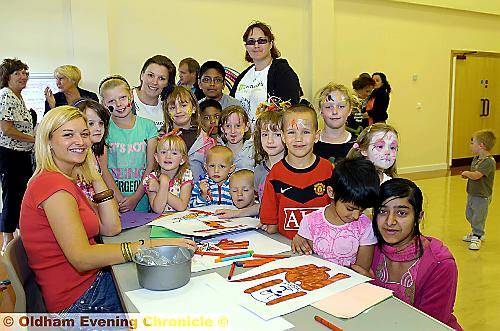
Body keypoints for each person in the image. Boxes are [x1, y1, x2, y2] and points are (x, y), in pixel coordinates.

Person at [19, 106, 196, 313]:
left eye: (84, 134)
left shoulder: (64, 180)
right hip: (80, 302)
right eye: (68, 135)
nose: (81, 141)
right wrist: (149, 246)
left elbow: (111, 227)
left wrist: (95, 175)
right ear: (48, 141)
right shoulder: (52, 187)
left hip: (90, 286)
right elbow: (82, 258)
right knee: (174, 306)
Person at [353, 178, 462, 330]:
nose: (390, 221)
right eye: (383, 211)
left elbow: (429, 325)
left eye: (401, 213)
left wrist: (373, 288)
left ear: (418, 217)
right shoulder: (369, 248)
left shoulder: (440, 264)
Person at [293, 158, 379, 272]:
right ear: (331, 192)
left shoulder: (365, 226)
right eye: (350, 208)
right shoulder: (310, 222)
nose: (356, 216)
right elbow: (305, 261)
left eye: (362, 210)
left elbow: (361, 270)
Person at [260, 105, 333, 240]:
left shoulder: (328, 170)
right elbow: (271, 225)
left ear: (316, 136)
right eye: (291, 132)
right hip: (288, 248)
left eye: (305, 132)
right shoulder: (275, 174)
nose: (298, 139)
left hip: (324, 248)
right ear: (283, 137)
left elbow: (338, 213)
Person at [99, 75, 157, 213]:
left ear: (131, 96)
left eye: (122, 98)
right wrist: (119, 198)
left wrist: (135, 198)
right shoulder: (103, 129)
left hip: (142, 198)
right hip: (113, 200)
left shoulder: (148, 126)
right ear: (104, 104)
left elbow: (151, 165)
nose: (119, 104)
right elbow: (103, 168)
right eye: (111, 101)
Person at [230, 21, 302, 127]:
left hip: (270, 137)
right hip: (243, 139)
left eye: (262, 41)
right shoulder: (243, 76)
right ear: (246, 46)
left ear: (271, 44)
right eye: (251, 41)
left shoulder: (282, 72)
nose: (256, 45)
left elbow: (291, 109)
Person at [0, 58, 35, 253]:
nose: (23, 77)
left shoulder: (18, 97)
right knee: (12, 196)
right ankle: (7, 239)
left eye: (25, 73)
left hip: (22, 154)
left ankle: (21, 236)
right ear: (7, 77)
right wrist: (33, 140)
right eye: (18, 73)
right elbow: (6, 129)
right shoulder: (6, 95)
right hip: (10, 154)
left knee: (22, 195)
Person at [461, 130, 496, 250]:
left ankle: (477, 235)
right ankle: (477, 230)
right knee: (469, 214)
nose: (470, 145)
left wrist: (467, 173)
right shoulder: (476, 159)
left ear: (481, 145)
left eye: (472, 143)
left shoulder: (488, 162)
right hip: (472, 193)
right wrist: (469, 175)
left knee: (478, 217)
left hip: (482, 196)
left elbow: (477, 175)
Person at [143, 132, 193, 213]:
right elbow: (158, 209)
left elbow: (181, 206)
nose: (168, 156)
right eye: (163, 152)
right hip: (159, 222)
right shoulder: (151, 179)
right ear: (156, 157)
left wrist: (158, 188)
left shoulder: (186, 176)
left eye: (174, 153)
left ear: (182, 159)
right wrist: (164, 183)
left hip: (180, 222)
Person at [313, 83, 357, 164]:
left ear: (350, 110)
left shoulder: (357, 145)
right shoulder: (310, 143)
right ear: (320, 110)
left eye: (341, 106)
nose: (334, 112)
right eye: (328, 107)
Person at [132, 55, 176, 130]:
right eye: (150, 75)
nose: (155, 82)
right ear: (142, 75)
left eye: (161, 78)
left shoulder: (168, 105)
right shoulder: (126, 99)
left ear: (167, 83)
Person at [188, 99, 224, 183]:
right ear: (200, 120)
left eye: (217, 116)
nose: (213, 121)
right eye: (207, 118)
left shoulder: (226, 141)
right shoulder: (196, 142)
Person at [75, 99, 110, 174]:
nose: (98, 128)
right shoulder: (76, 156)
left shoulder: (96, 151)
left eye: (101, 123)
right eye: (91, 123)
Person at [219, 105, 254, 172]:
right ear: (222, 128)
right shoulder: (216, 151)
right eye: (228, 126)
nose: (233, 131)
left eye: (238, 126)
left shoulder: (254, 152)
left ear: (246, 126)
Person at [163, 86, 199, 150]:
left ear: (194, 108)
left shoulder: (203, 138)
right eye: (173, 107)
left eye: (183, 105)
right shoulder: (161, 137)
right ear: (167, 112)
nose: (178, 111)